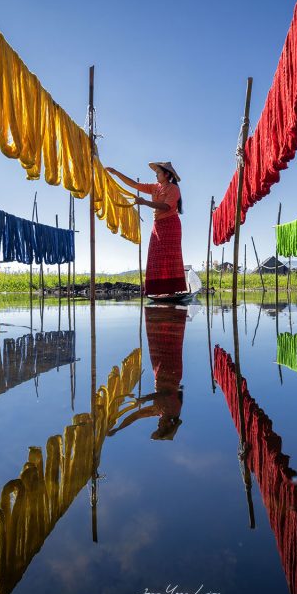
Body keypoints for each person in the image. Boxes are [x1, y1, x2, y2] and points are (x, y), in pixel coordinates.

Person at [107, 162, 187, 296]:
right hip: (158, 225)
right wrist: (116, 172)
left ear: (166, 174)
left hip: (171, 225)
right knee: (155, 257)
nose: (156, 175)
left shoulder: (173, 189)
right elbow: (134, 185)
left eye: (158, 173)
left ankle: (171, 291)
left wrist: (144, 202)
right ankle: (158, 290)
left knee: (170, 257)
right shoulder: (154, 187)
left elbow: (166, 207)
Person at [108, 305, 187, 441]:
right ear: (168, 425)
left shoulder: (158, 412)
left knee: (157, 343)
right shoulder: (173, 411)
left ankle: (161, 312)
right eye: (160, 427)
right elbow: (167, 393)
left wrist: (118, 429)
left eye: (158, 427)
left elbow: (135, 416)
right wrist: (146, 398)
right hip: (171, 371)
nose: (158, 425)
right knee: (169, 343)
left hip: (159, 373)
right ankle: (170, 313)